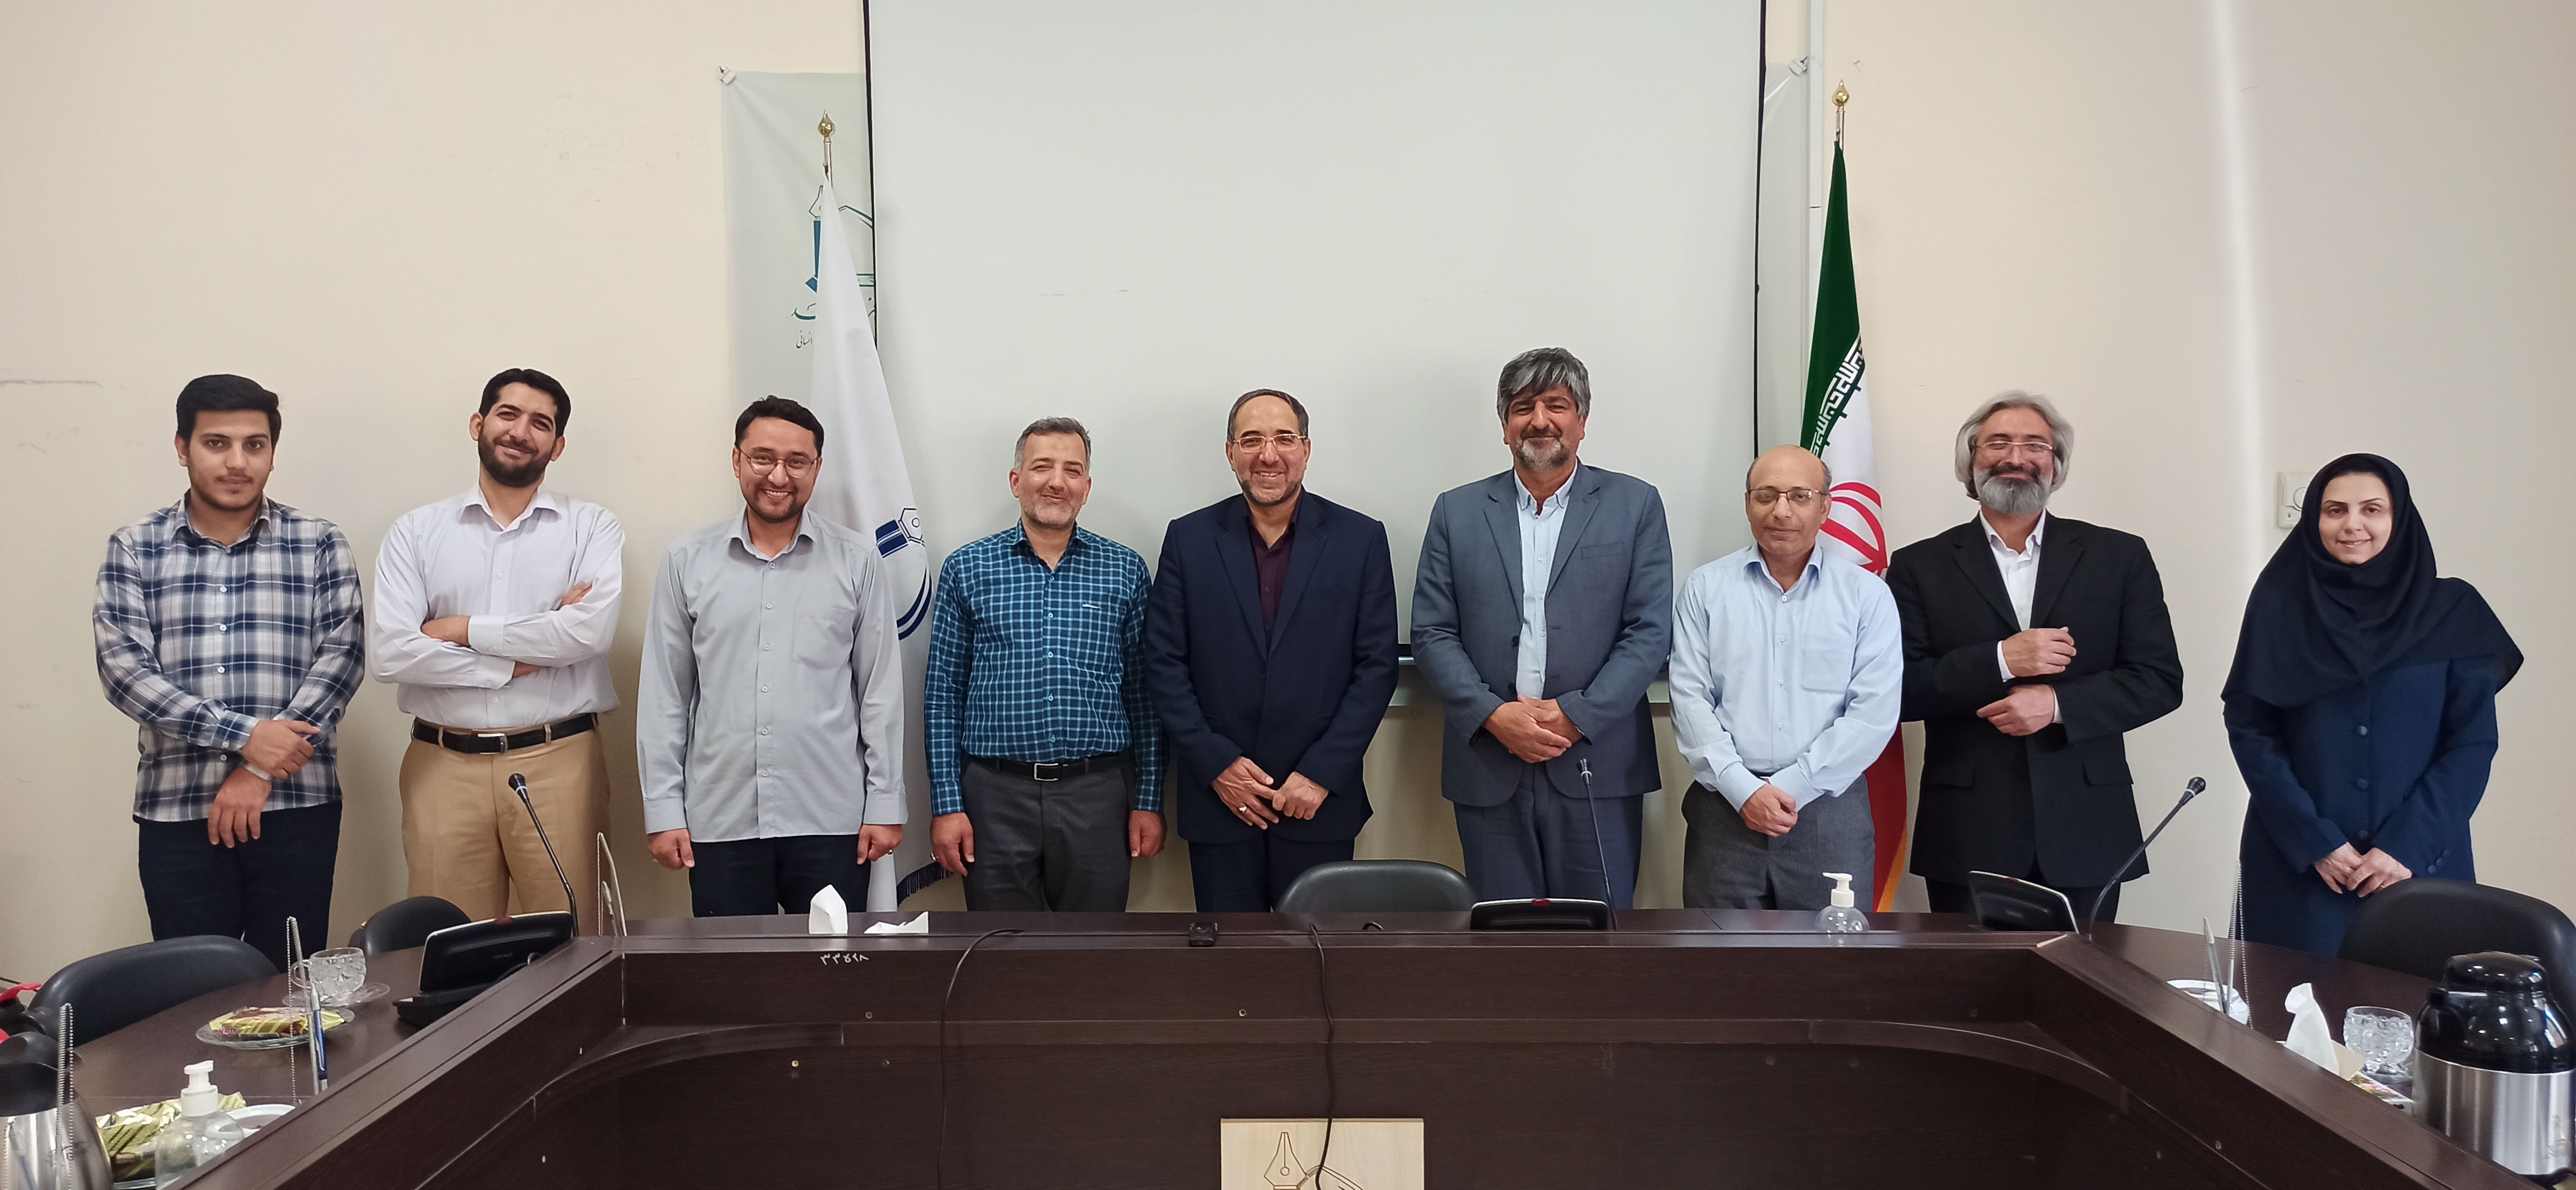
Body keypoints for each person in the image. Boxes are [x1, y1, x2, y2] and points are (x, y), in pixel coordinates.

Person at [94, 375, 365, 971]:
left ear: (273, 452)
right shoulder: (135, 547)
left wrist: (260, 768)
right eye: (217, 443)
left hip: (297, 805)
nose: (237, 462)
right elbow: (124, 672)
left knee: (290, 985)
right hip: (178, 808)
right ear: (182, 447)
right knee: (192, 991)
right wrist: (245, 738)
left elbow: (342, 660)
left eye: (254, 445)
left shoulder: (318, 542)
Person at [1887, 393, 2182, 923]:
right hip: (1967, 831)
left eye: (2034, 445)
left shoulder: (2119, 557)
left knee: (2081, 976)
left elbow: (2159, 680)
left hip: (2086, 827)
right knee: (1968, 976)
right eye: (1997, 443)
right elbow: (1900, 691)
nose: (2015, 457)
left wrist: (2057, 705)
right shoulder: (1917, 565)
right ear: (1971, 461)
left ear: (2056, 463)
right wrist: (2001, 659)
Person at [2224, 455, 2518, 954]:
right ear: (2314, 520)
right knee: (2290, 1002)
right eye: (2335, 510)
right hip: (2302, 868)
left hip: (2421, 866)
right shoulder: (2280, 606)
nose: (2352, 524)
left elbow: (2472, 743)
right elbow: (2251, 728)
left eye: (2372, 510)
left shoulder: (2454, 610)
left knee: (2419, 1000)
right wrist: (2316, 841)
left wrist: (2405, 847)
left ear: (2399, 518)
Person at [1411, 347, 1673, 908]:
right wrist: (1493, 715)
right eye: (1522, 407)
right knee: (1503, 939)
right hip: (1489, 761)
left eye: (1556, 405)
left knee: (1599, 938)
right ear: (1504, 425)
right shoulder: (1457, 511)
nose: (1539, 420)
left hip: (1597, 764)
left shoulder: (1635, 505)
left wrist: (1578, 715)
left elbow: (1649, 631)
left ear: (1582, 421)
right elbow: (1432, 632)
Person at [372, 368, 621, 929]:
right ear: (478, 424)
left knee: (574, 940)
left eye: (540, 423)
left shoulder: (591, 528)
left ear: (557, 446)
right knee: (449, 942)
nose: (520, 432)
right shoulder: (415, 532)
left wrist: (458, 629)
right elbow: (392, 654)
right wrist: (521, 658)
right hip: (443, 765)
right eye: (508, 415)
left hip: (560, 761)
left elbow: (586, 635)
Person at [637, 397, 904, 916]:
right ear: (737, 460)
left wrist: (885, 803)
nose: (779, 476)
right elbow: (665, 695)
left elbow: (880, 691)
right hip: (721, 819)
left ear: (817, 468)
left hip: (832, 818)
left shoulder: (857, 560)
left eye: (796, 462)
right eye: (762, 458)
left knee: (833, 964)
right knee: (734, 966)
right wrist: (663, 809)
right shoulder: (687, 561)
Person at [1145, 390, 1399, 910]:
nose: (1268, 455)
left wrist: (1322, 772)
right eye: (1252, 440)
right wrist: (1217, 765)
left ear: (1306, 449)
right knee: (1232, 954)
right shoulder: (1188, 539)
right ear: (1230, 453)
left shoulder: (1360, 539)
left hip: (1318, 801)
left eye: (1284, 439)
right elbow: (1163, 663)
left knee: (1316, 951)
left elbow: (1377, 668)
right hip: (1220, 800)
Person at [924, 417, 1165, 911]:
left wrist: (1148, 800)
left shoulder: (1125, 569)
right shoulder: (967, 568)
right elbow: (943, 693)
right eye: (1042, 467)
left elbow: (1145, 695)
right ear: (1017, 481)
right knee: (1000, 945)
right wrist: (947, 805)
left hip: (1097, 796)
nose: (1057, 481)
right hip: (993, 797)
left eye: (1072, 470)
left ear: (1087, 488)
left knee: (1093, 946)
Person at [1669, 447, 1900, 910]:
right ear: (1747, 504)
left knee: (1832, 954)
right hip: (1726, 812)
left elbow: (1872, 714)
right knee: (1718, 954)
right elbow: (1689, 698)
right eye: (1766, 496)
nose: (1781, 511)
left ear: (1826, 507)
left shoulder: (1867, 595)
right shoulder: (1705, 588)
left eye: (1800, 496)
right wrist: (1745, 790)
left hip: (1828, 813)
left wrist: (1791, 788)